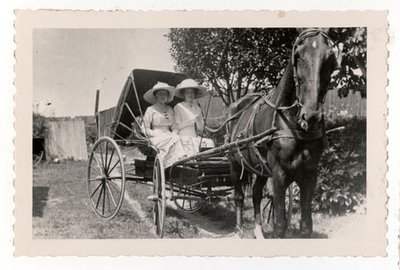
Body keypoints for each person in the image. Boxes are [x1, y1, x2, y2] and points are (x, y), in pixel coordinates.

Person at [142, 82, 185, 168]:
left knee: (178, 138)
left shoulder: (170, 109)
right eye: (160, 94)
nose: (163, 96)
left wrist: (174, 133)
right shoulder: (150, 110)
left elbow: (174, 126)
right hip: (156, 137)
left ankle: (176, 165)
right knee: (174, 140)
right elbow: (144, 128)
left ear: (167, 96)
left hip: (169, 136)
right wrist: (156, 134)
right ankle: (165, 165)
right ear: (156, 96)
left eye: (165, 94)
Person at [174, 79, 214, 156]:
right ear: (184, 94)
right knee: (190, 144)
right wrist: (190, 121)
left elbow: (201, 129)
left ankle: (206, 164)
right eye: (188, 92)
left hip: (195, 136)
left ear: (195, 94)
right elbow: (176, 126)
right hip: (183, 135)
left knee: (209, 142)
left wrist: (199, 122)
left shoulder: (197, 108)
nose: (190, 94)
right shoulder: (178, 107)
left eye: (192, 92)